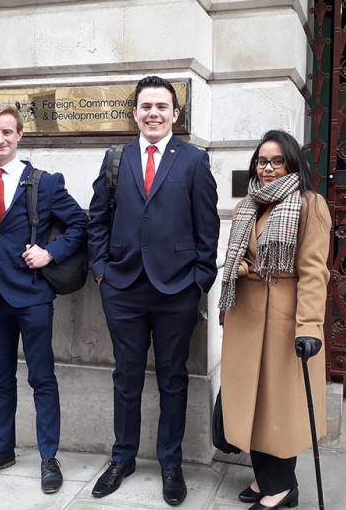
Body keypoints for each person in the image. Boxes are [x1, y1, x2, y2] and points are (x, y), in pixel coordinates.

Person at [87, 76, 220, 506]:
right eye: (146, 106)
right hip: (122, 287)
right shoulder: (115, 158)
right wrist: (101, 270)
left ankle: (170, 463)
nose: (153, 114)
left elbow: (208, 226)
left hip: (176, 289)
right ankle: (122, 456)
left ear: (175, 115)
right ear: (135, 112)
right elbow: (97, 219)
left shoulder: (194, 161)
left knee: (173, 379)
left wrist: (200, 278)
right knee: (125, 378)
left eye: (162, 107)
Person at [0, 102, 88, 494]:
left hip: (31, 297)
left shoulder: (44, 182)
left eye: (7, 132)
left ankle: (49, 456)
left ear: (19, 136)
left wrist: (51, 253)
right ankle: (1, 449)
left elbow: (80, 224)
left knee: (42, 377)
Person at [218, 130, 331, 510]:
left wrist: (310, 326)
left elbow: (315, 272)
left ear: (292, 163)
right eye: (262, 161)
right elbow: (241, 257)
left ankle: (282, 487)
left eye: (276, 161)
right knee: (251, 404)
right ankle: (265, 476)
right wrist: (244, 267)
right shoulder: (247, 204)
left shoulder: (309, 204)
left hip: (284, 322)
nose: (267, 169)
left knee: (278, 406)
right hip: (245, 318)